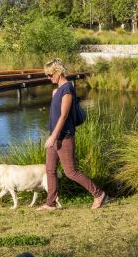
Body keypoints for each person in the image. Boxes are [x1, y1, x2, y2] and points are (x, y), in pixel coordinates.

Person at [36, 58, 107, 211]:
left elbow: (63, 116)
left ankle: (99, 194)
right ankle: (51, 203)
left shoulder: (67, 89)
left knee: (71, 172)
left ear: (59, 72)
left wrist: (53, 136)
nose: (48, 78)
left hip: (64, 137)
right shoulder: (57, 90)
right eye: (47, 75)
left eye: (50, 74)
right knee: (50, 170)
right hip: (54, 136)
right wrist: (52, 136)